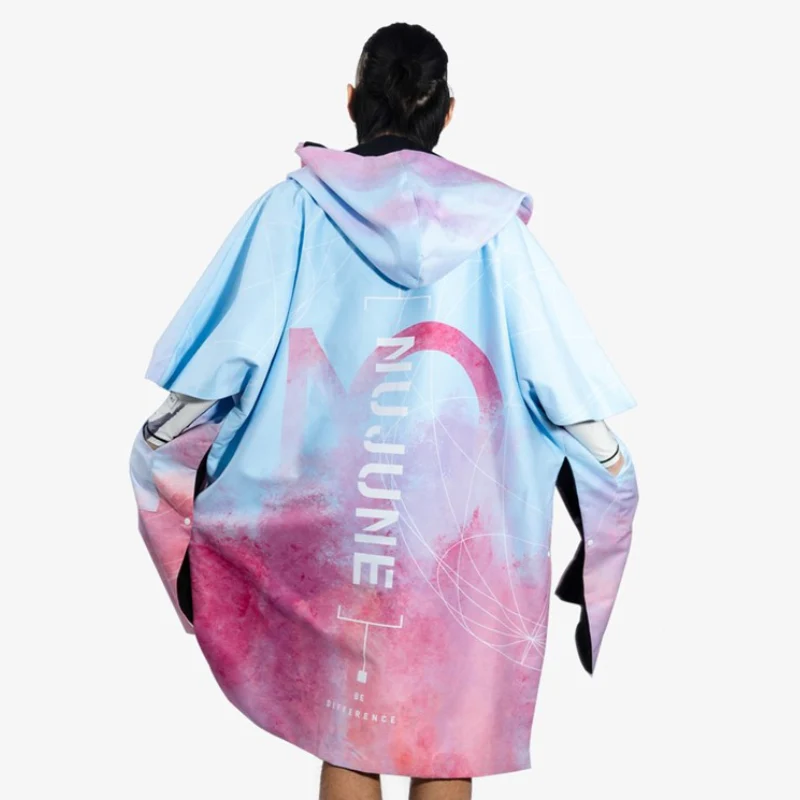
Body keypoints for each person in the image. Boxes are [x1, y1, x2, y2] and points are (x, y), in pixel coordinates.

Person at [130, 21, 639, 800]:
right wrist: (614, 482)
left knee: (346, 732)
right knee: (444, 742)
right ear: (447, 110)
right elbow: (565, 390)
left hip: (330, 522)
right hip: (461, 530)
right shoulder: (495, 234)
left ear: (352, 100)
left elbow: (219, 363)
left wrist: (158, 455)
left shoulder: (295, 210)